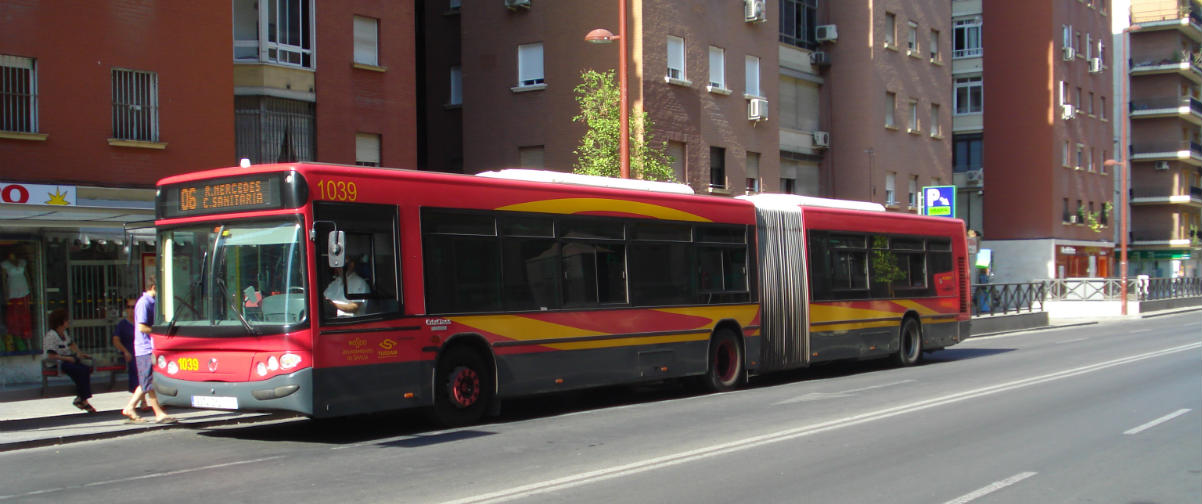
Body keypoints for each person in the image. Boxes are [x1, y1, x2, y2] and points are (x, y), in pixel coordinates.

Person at [121, 278, 175, 424]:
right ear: (153, 287)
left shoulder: (152, 303)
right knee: (148, 381)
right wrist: (159, 333)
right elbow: (142, 327)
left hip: (148, 347)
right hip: (144, 348)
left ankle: (131, 408)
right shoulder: (144, 303)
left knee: (147, 381)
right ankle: (157, 413)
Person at [43, 308, 96, 412]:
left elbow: (71, 344)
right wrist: (67, 358)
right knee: (79, 371)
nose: (68, 322)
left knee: (86, 369)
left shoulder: (64, 333)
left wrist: (79, 354)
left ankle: (81, 398)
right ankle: (83, 399)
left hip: (67, 359)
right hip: (57, 362)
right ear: (60, 322)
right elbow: (51, 355)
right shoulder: (51, 335)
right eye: (66, 320)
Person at [2, 250, 33, 352]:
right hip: (13, 292)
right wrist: (6, 294)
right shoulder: (4, 264)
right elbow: (3, 280)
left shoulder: (22, 262)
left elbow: (27, 276)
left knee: (25, 315)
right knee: (13, 316)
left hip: (24, 291)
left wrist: (31, 290)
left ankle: (28, 341)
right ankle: (16, 340)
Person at [111, 297, 139, 394]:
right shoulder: (122, 324)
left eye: (133, 307)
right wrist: (125, 351)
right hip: (130, 353)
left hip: (143, 352)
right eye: (128, 307)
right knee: (136, 368)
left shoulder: (142, 322)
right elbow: (116, 340)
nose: (131, 310)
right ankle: (142, 400)